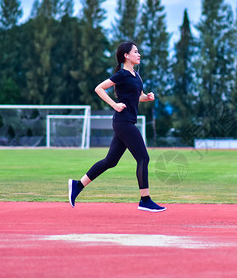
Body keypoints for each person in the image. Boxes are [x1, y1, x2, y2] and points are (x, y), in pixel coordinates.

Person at [68, 41, 166, 212]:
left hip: (125, 122)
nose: (139, 54)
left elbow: (138, 96)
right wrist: (114, 105)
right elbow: (99, 88)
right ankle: (145, 200)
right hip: (123, 122)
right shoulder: (121, 75)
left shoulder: (136, 75)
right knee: (143, 158)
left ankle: (78, 185)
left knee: (110, 161)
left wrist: (147, 97)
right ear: (126, 56)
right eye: (136, 52)